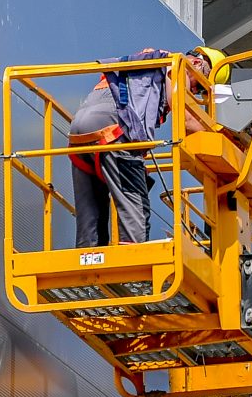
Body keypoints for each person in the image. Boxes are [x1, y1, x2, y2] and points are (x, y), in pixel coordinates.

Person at [68, 47, 215, 247]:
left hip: (78, 135)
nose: (196, 92)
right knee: (136, 209)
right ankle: (132, 276)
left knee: (90, 217)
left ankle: (88, 271)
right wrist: (220, 136)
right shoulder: (177, 65)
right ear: (198, 64)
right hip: (112, 132)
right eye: (201, 86)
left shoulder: (140, 64)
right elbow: (186, 121)